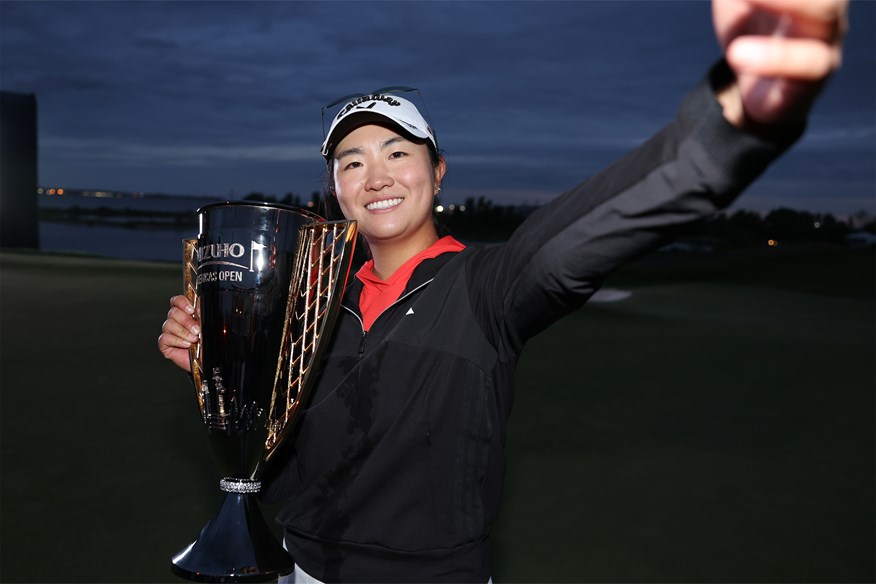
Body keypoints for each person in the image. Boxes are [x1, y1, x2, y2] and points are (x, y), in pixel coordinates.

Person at [159, 0, 848, 581]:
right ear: (334, 191)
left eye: (398, 152)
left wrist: (734, 120)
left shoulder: (487, 287)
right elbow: (280, 478)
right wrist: (223, 379)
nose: (376, 176)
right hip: (301, 568)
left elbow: (582, 232)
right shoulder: (307, 308)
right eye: (352, 161)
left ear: (438, 173)